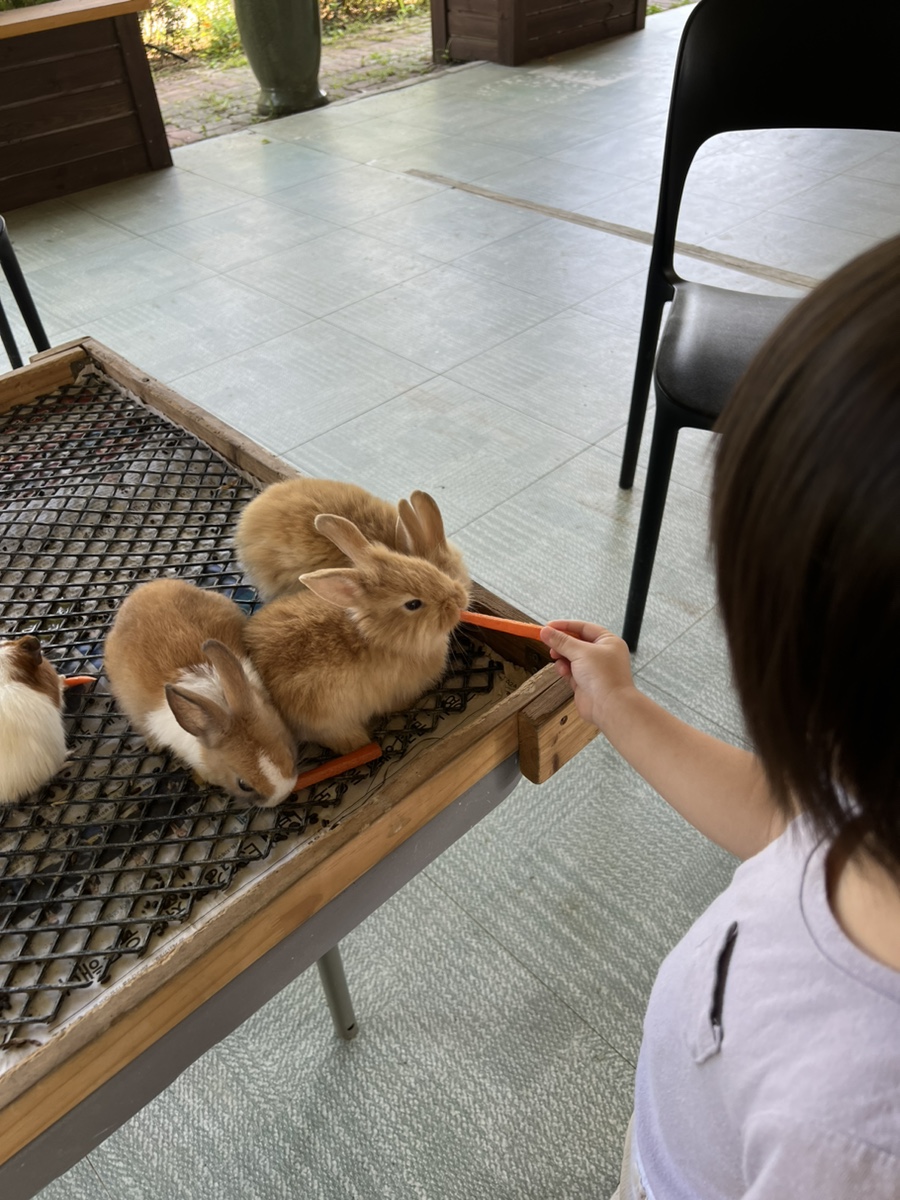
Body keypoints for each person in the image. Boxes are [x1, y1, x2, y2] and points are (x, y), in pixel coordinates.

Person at [540, 232, 900, 1200]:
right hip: (691, 1127)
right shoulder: (877, 812)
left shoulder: (851, 1144)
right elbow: (796, 820)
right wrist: (620, 706)